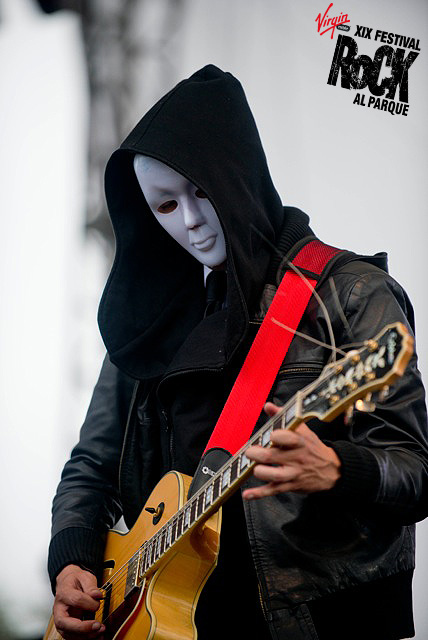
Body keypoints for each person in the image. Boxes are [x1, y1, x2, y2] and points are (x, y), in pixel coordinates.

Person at [48, 65, 428, 640]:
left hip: (315, 622)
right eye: (165, 206)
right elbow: (92, 465)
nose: (192, 221)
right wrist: (72, 559)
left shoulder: (352, 294)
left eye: (202, 191)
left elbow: (416, 471)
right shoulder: (148, 319)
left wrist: (338, 469)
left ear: (241, 175)